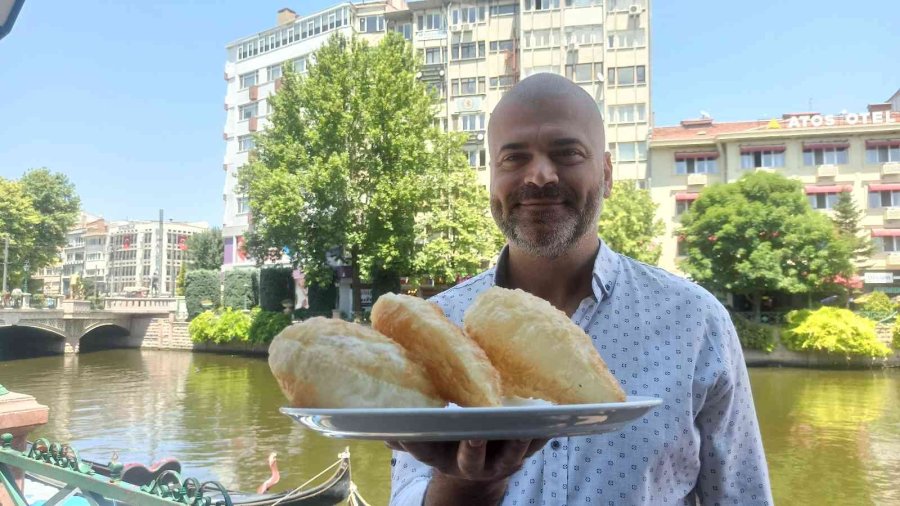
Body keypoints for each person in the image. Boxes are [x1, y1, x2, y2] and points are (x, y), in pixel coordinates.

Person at [388, 73, 773, 505]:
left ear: (606, 174)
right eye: (513, 158)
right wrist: (467, 485)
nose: (540, 176)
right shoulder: (434, 327)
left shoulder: (696, 322)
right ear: (491, 179)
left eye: (567, 153)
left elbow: (742, 495)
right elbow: (406, 493)